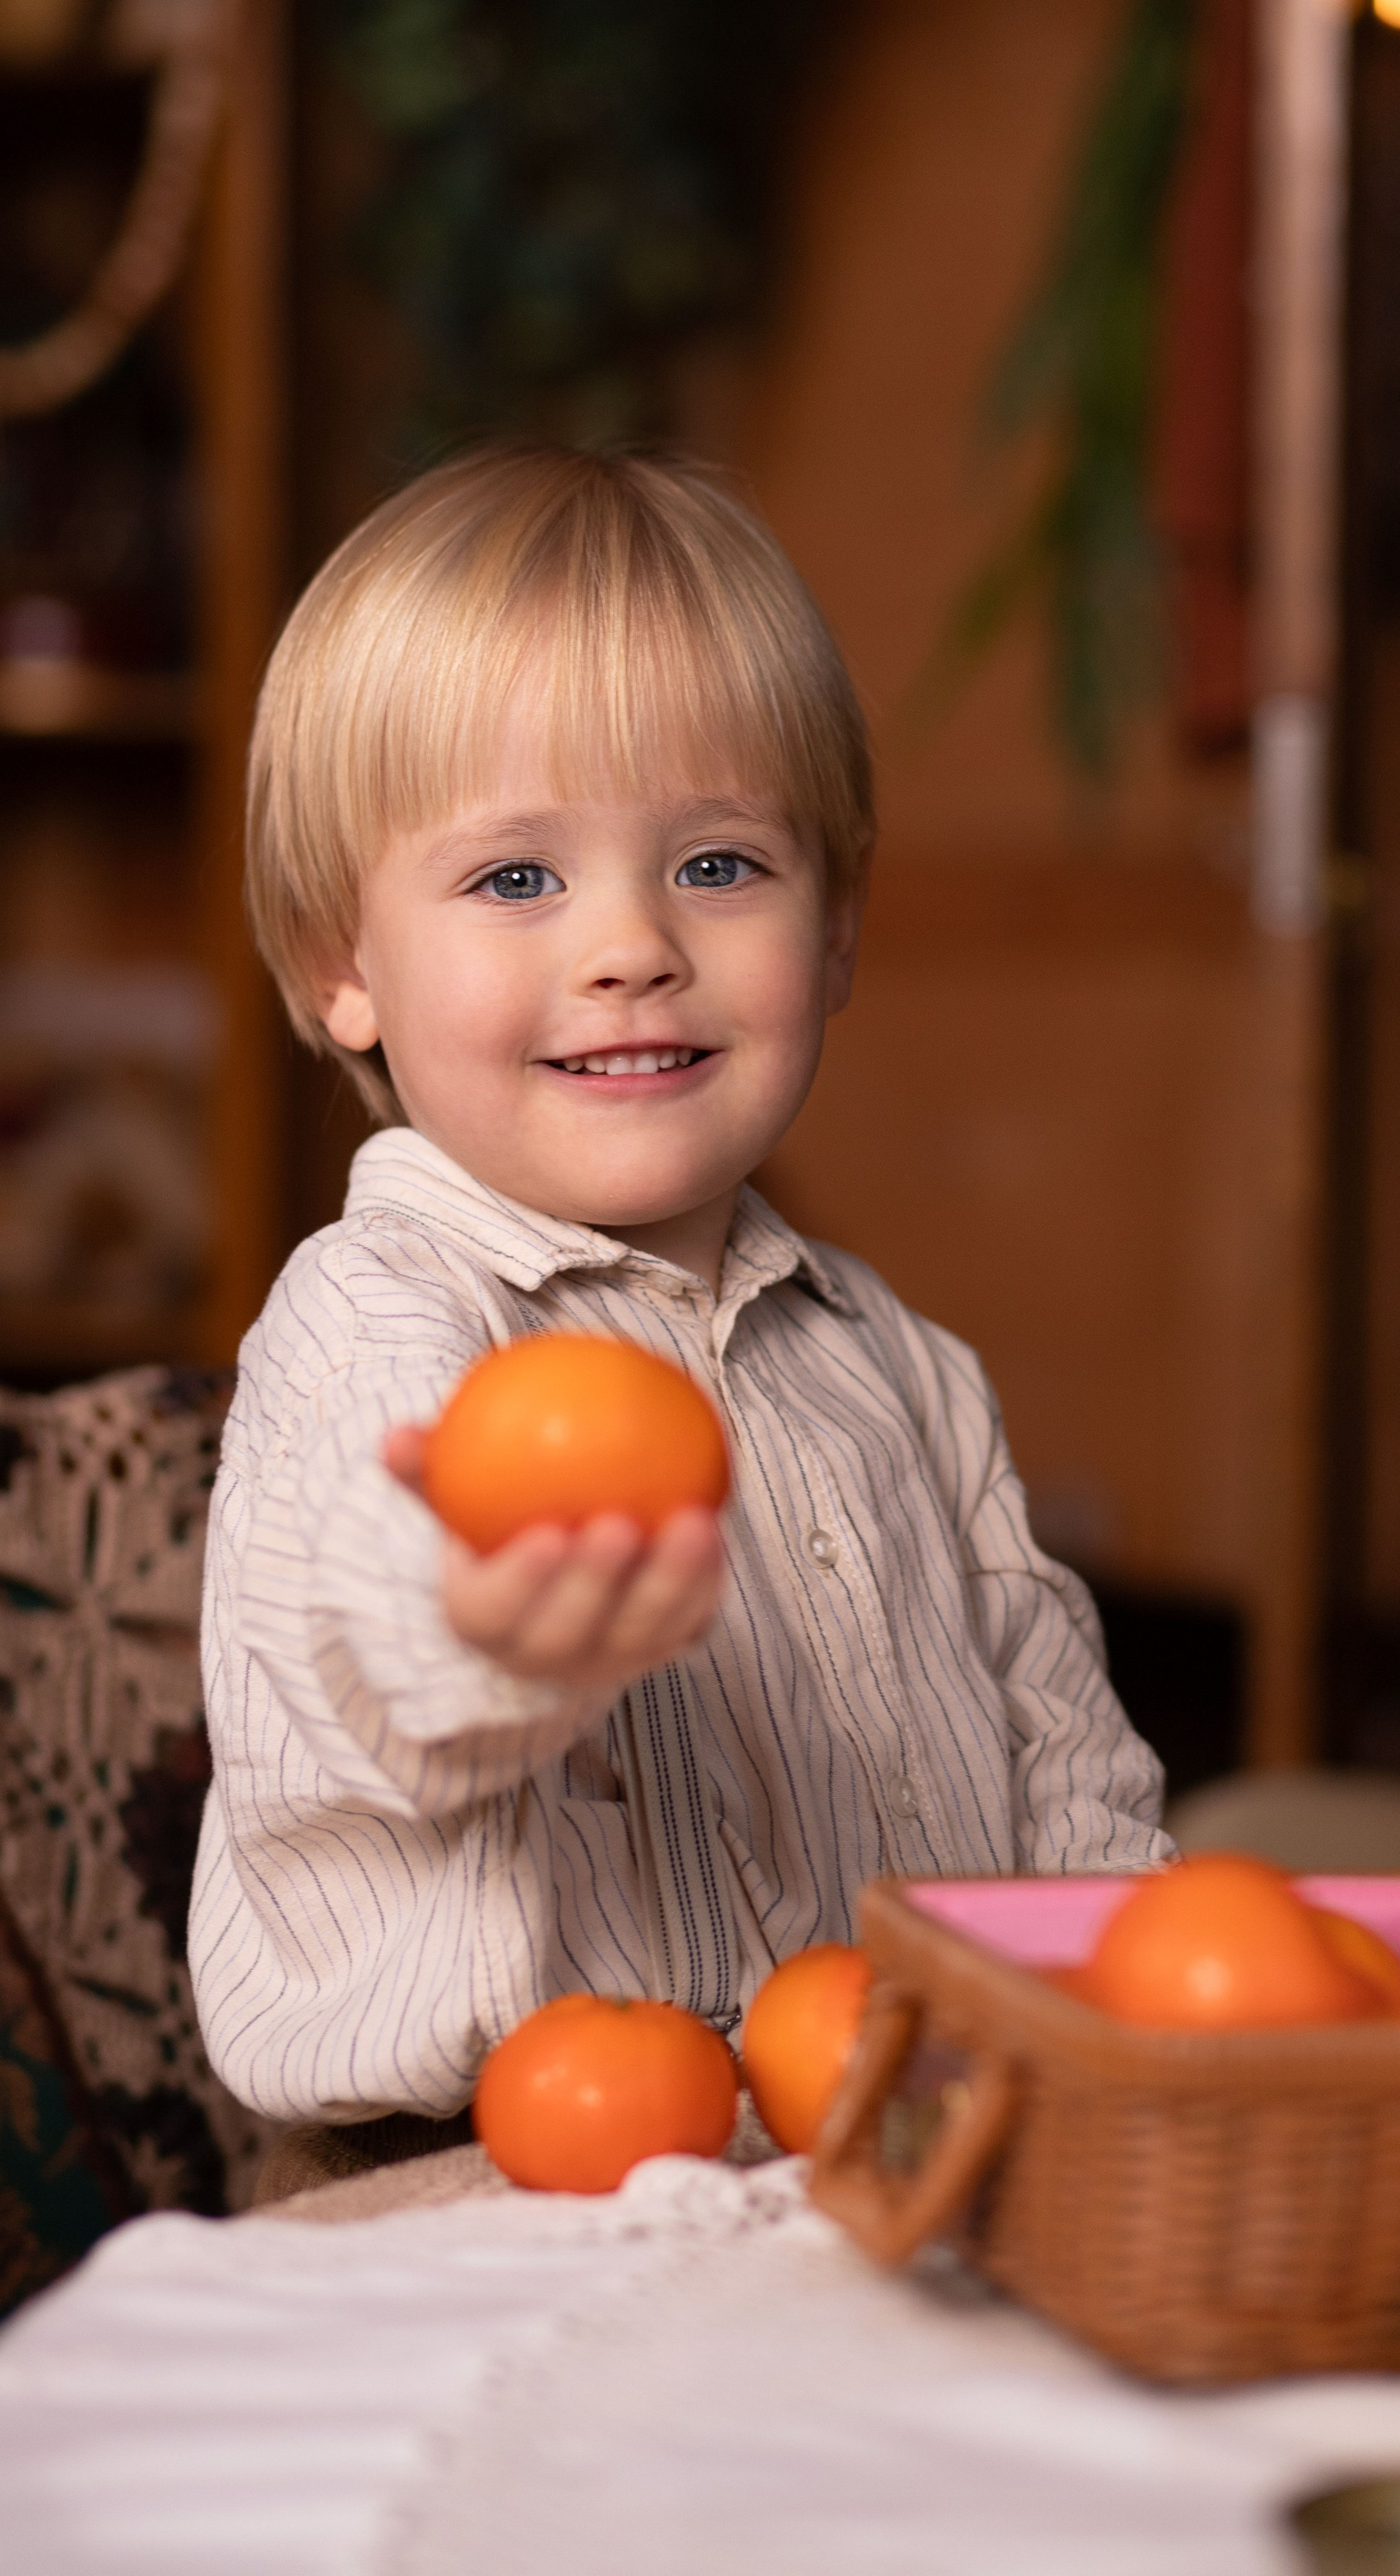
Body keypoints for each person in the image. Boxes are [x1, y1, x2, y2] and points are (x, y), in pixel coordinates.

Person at [189, 445, 1171, 2132]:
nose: (631, 942)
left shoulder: (902, 1367)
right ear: (341, 967)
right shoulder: (373, 1319)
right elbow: (357, 1631)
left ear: (838, 926)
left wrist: (1134, 2000)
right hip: (480, 2173)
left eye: (717, 865)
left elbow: (1061, 1759)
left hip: (891, 2140)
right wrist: (477, 1630)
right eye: (517, 879)